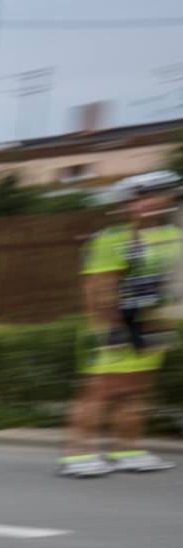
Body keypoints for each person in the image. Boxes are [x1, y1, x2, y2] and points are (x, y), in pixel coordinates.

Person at [59, 170, 179, 478]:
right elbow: (97, 288)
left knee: (137, 391)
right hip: (115, 325)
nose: (143, 204)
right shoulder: (112, 239)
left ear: (169, 198)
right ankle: (78, 455)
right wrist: (108, 329)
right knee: (100, 391)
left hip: (154, 324)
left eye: (151, 196)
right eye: (136, 199)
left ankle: (127, 451)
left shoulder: (175, 236)